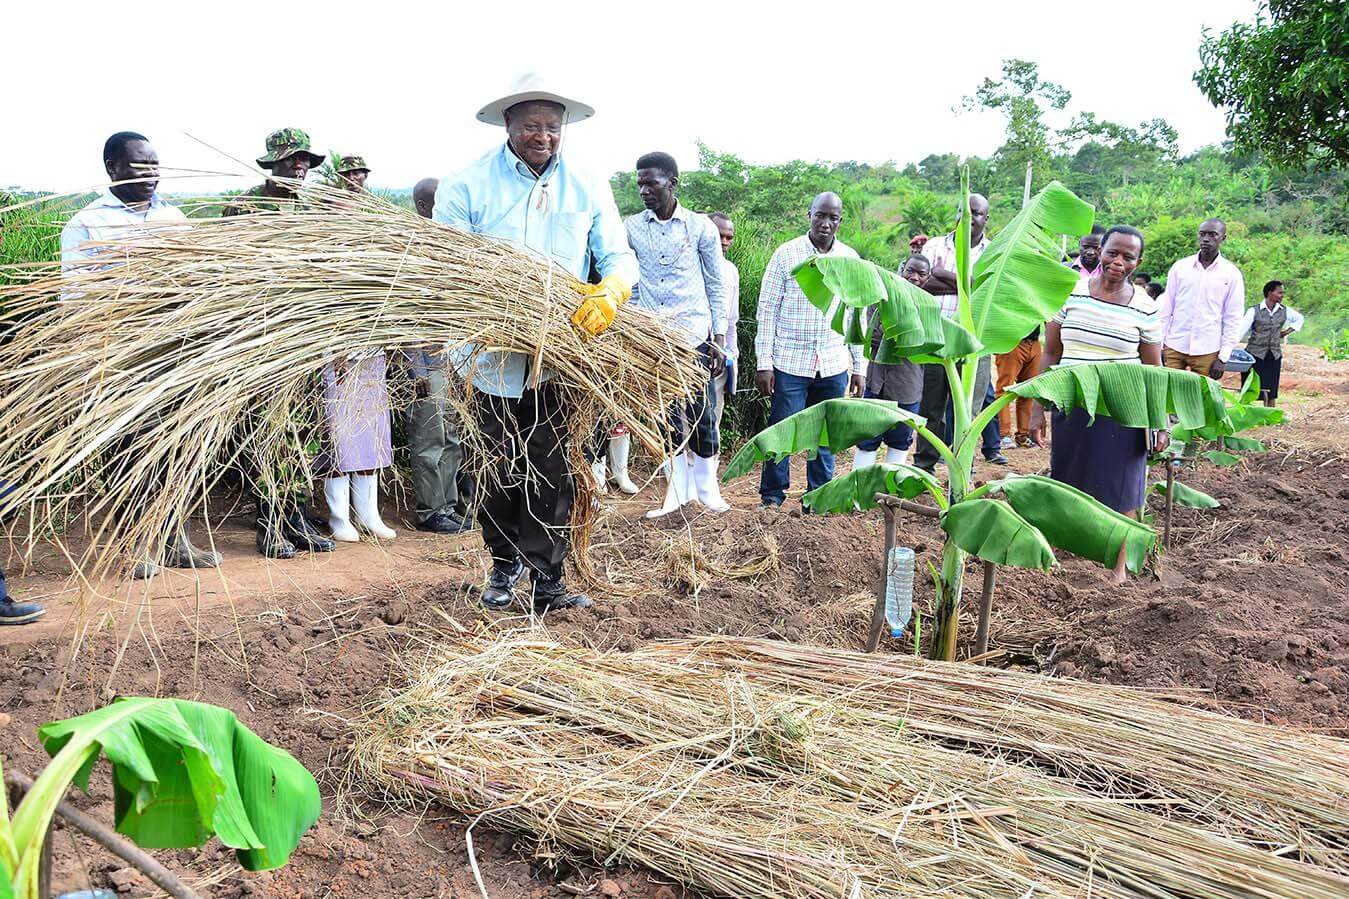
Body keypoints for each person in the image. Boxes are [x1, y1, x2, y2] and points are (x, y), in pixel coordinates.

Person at [434, 73, 637, 613]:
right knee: (494, 468)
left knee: (552, 470)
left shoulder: (586, 183)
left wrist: (612, 290)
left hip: (557, 360)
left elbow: (617, 255)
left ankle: (547, 579)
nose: (542, 136)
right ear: (508, 124)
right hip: (485, 360)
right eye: (531, 126)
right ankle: (503, 566)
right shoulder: (467, 184)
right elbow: (449, 265)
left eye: (552, 126)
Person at [61, 131, 223, 580]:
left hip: (175, 354)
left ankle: (175, 540)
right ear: (112, 167)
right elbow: (74, 301)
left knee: (178, 448)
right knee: (128, 453)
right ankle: (133, 547)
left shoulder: (173, 217)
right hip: (121, 359)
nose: (152, 174)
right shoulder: (87, 224)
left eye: (155, 165)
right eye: (139, 165)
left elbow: (197, 281)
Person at [1029, 226, 1167, 583]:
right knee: (1066, 482)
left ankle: (1119, 571)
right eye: (1113, 253)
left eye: (1128, 257)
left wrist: (1160, 422)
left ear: (1138, 262)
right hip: (1073, 404)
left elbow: (1154, 370)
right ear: (1100, 251)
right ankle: (1058, 562)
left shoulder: (1145, 307)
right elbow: (1051, 352)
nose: (1118, 261)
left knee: (1123, 490)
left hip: (1123, 410)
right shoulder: (1071, 293)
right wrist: (1037, 408)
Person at [223, 128, 337, 559]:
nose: (300, 166)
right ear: (272, 164)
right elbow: (229, 275)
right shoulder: (244, 208)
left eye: (305, 160)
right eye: (292, 159)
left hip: (302, 339)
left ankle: (296, 519)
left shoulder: (308, 211)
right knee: (268, 434)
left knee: (304, 433)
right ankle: (269, 525)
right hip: (262, 339)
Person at [625, 153, 728, 516]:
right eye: (640, 183)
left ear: (672, 182)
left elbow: (716, 284)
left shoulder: (700, 228)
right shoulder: (632, 228)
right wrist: (635, 325)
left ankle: (707, 490)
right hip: (654, 339)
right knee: (665, 419)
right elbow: (630, 281)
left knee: (703, 414)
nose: (643, 190)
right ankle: (676, 493)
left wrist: (719, 338)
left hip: (694, 336)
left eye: (650, 183)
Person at [754, 192, 865, 508]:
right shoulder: (786, 254)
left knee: (824, 436)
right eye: (820, 215)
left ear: (840, 221)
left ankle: (818, 496)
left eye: (833, 218)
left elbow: (856, 315)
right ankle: (772, 497)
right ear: (810, 215)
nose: (826, 223)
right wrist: (764, 363)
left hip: (832, 362)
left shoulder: (850, 259)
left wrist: (859, 367)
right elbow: (767, 310)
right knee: (783, 432)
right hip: (790, 361)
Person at [402, 176, 474, 534]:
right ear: (423, 206)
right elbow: (403, 318)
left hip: (448, 361)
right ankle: (431, 511)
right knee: (430, 438)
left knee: (450, 438)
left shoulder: (446, 247)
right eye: (439, 201)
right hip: (424, 363)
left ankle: (449, 505)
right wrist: (416, 370)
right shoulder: (411, 253)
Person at [914, 193, 1003, 470]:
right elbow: (921, 284)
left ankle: (963, 466)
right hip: (936, 336)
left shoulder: (993, 252)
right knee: (930, 406)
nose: (968, 218)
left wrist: (943, 275)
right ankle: (925, 465)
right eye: (963, 211)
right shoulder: (934, 246)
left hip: (975, 341)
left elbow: (990, 291)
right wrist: (968, 285)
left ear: (986, 218)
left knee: (968, 408)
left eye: (976, 213)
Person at [854, 255, 930, 468]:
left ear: (928, 277)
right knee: (867, 439)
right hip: (876, 383)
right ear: (902, 270)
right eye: (910, 271)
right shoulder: (881, 299)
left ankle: (891, 486)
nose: (914, 277)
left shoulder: (928, 307)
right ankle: (861, 485)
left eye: (921, 274)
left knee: (900, 441)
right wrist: (904, 336)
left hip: (907, 386)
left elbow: (922, 343)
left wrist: (894, 336)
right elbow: (873, 335)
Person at [1158, 218, 1245, 379]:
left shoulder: (1231, 274)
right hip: (1174, 345)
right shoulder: (1180, 268)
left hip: (1207, 349)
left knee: (1204, 393)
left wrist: (1223, 358)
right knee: (1168, 391)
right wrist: (1160, 345)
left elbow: (1233, 317)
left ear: (1223, 238)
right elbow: (1166, 308)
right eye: (1202, 234)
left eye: (1212, 235)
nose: (1206, 239)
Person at [1239, 280, 1304, 406]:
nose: (1282, 295)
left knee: (1271, 390)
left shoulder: (1284, 310)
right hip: (1254, 355)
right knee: (1250, 388)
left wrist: (1285, 332)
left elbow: (1299, 319)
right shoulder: (1254, 311)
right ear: (1270, 293)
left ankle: (1270, 414)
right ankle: (1246, 413)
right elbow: (1241, 330)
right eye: (1279, 293)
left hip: (1274, 355)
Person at [709, 211, 739, 434]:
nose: (724, 242)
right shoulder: (689, 266)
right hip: (689, 353)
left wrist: (732, 358)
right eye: (720, 236)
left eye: (729, 237)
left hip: (719, 360)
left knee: (713, 422)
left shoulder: (731, 271)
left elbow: (732, 320)